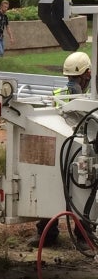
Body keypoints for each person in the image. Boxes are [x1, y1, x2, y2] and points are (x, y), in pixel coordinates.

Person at [29, 51, 92, 248]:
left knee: (84, 188)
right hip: (60, 147)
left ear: (88, 75)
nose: (72, 82)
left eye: (75, 77)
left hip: (84, 150)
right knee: (49, 184)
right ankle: (47, 233)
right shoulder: (60, 95)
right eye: (70, 78)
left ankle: (83, 236)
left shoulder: (93, 96)